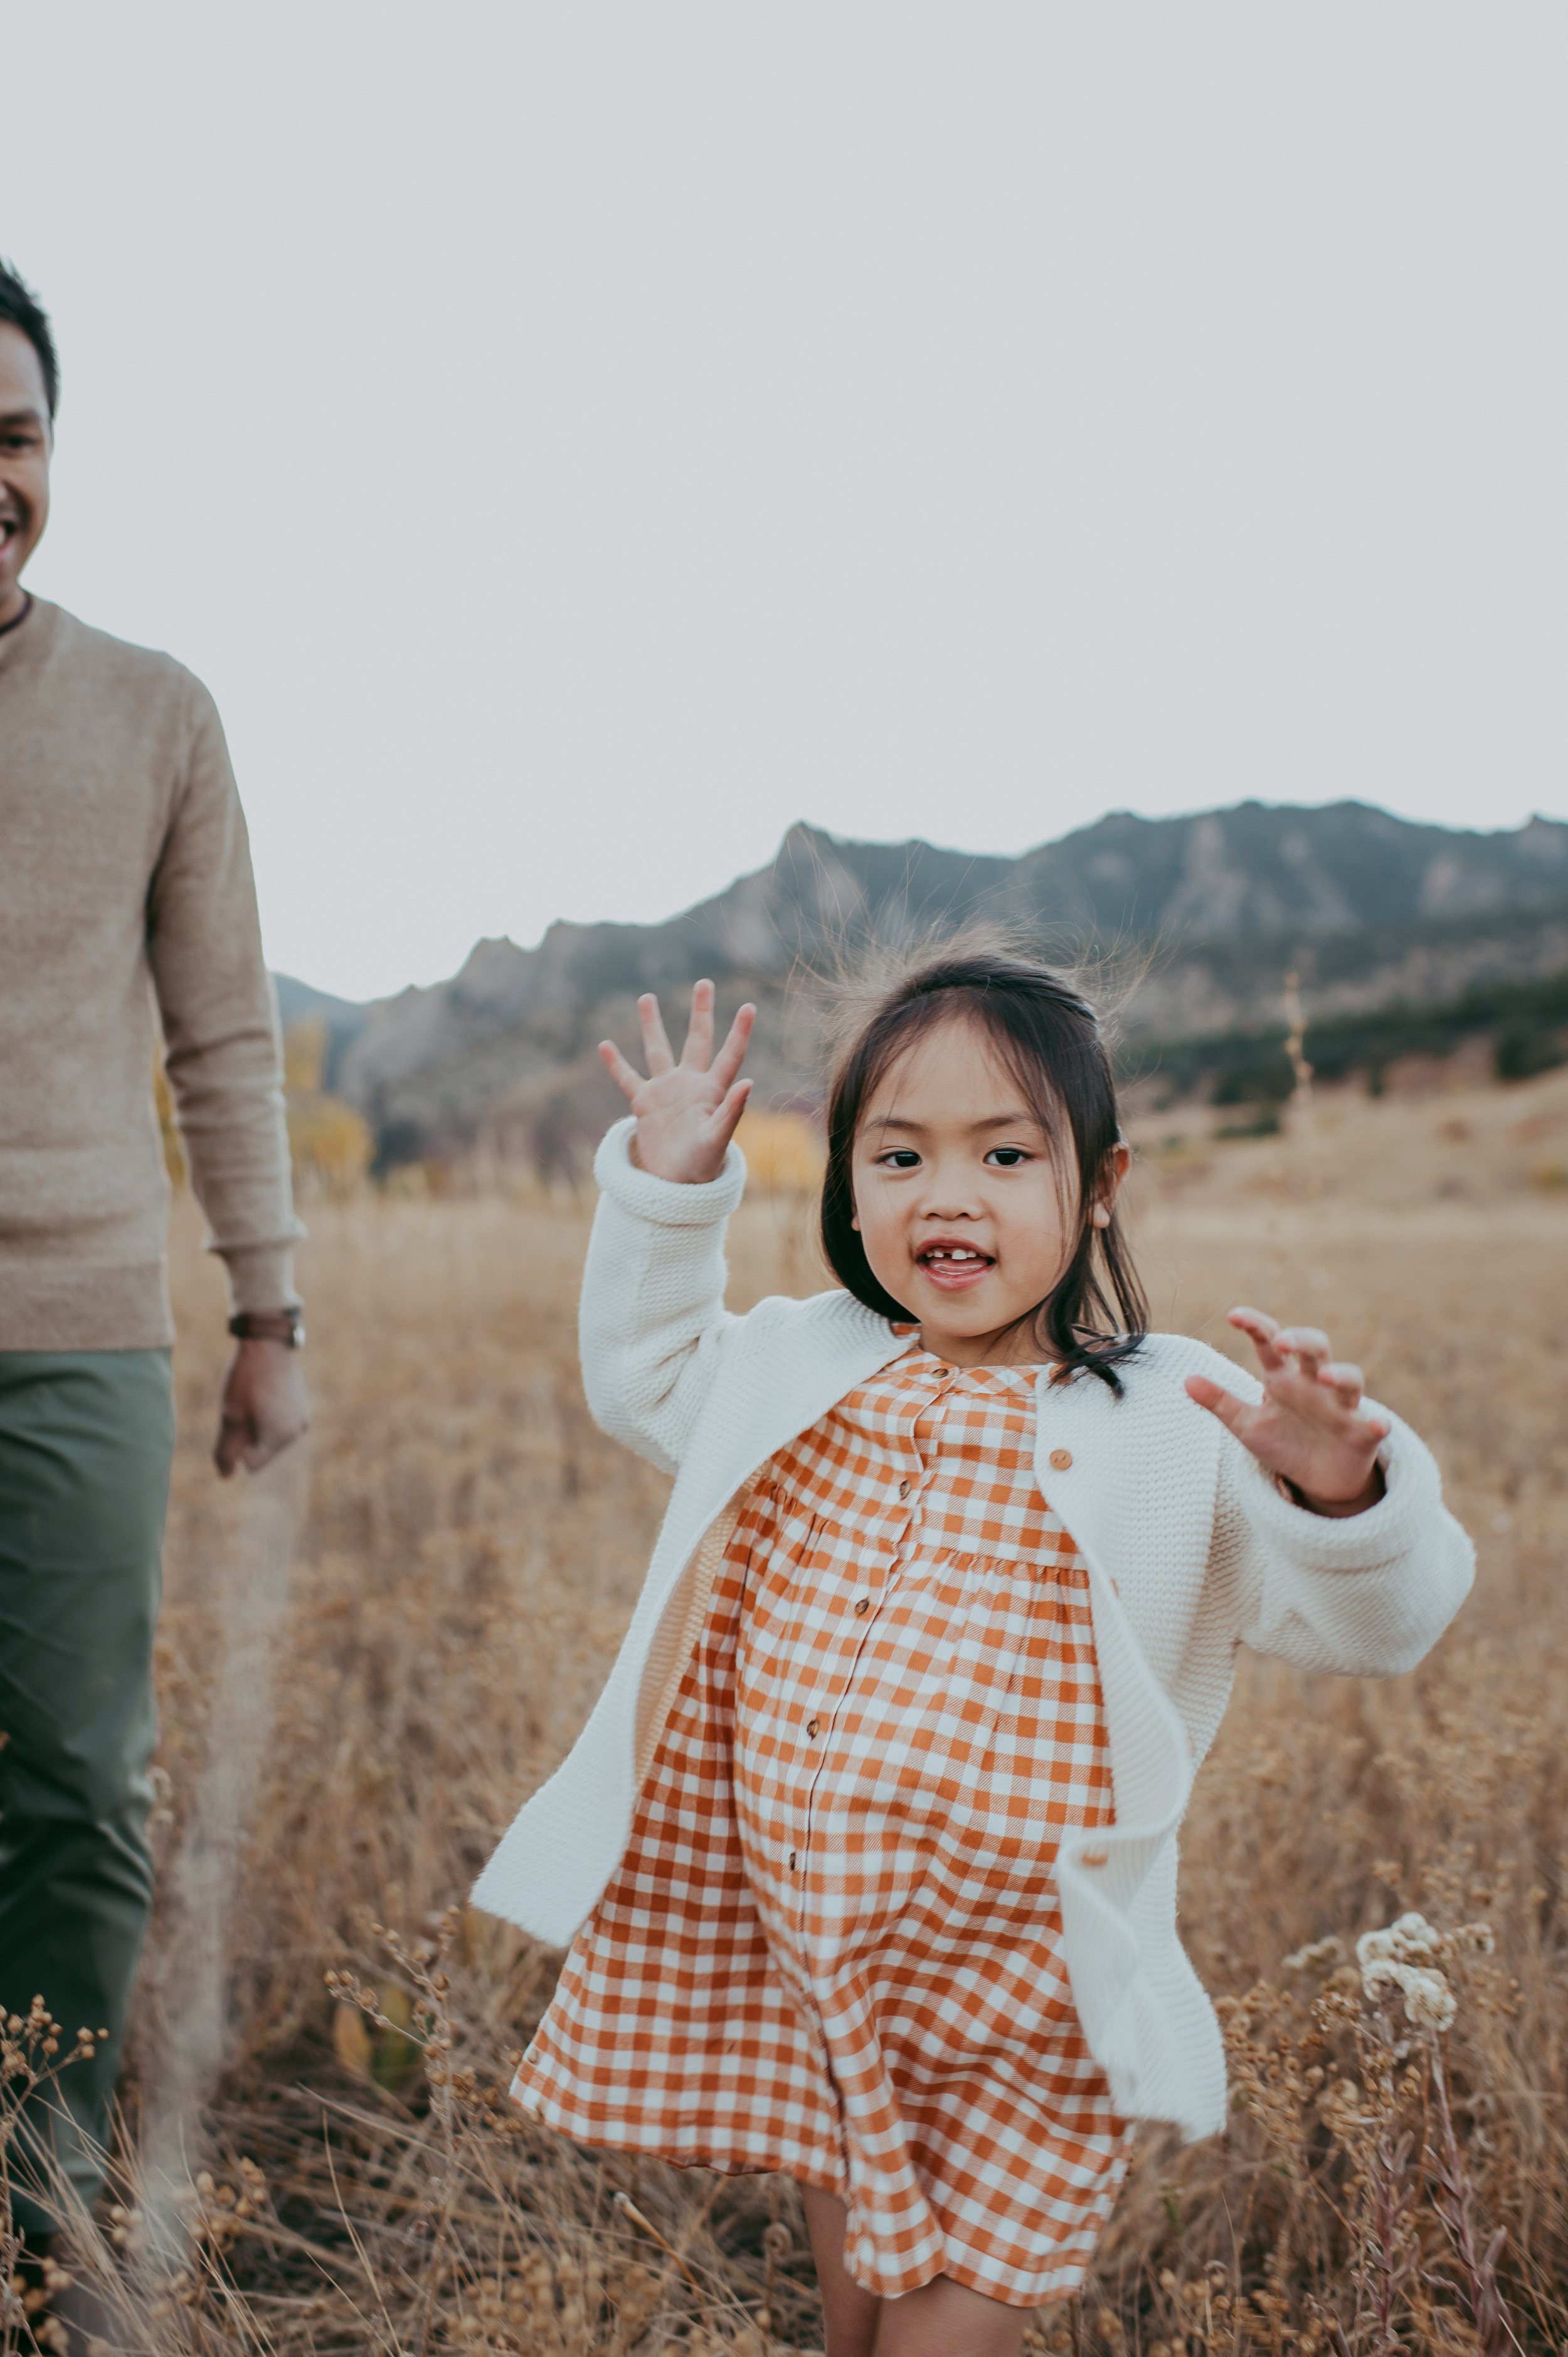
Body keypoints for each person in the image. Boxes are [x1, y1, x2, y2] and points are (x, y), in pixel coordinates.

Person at [472, 957, 1475, 2356]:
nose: (946, 1194)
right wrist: (666, 1186)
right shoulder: (802, 1362)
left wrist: (1336, 1498)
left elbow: (1383, 1625)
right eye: (898, 1155)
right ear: (846, 1182)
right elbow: (641, 1372)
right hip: (819, 1955)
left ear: (1100, 1179)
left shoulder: (1171, 1420)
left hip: (1028, 1995)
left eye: (1005, 1153)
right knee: (853, 2307)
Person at [0, 259, 308, 2296]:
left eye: (10, 438)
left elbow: (222, 1034)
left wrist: (268, 1305)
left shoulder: (154, 711)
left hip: (80, 1324)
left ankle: (33, 2208)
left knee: (76, 1780)